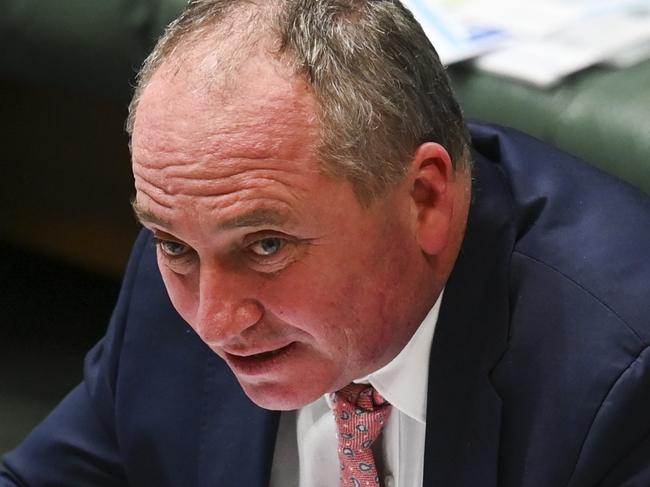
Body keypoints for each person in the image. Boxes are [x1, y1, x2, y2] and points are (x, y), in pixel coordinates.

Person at [2, 0, 650, 486]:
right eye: (173, 246)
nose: (215, 319)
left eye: (266, 246)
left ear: (424, 199)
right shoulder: (194, 240)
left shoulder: (618, 381)